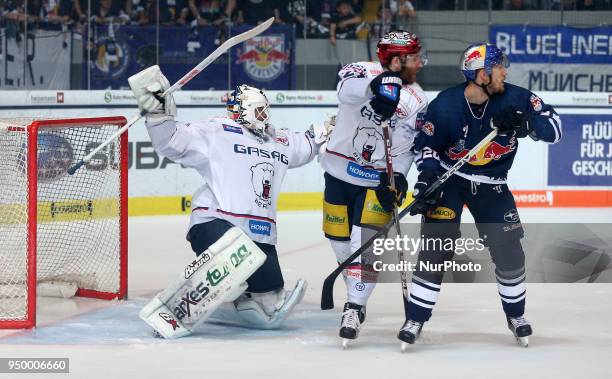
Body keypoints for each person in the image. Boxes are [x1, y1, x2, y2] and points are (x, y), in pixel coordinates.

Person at [128, 66, 332, 337]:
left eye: (264, 110)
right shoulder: (217, 131)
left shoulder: (278, 140)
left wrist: (331, 129)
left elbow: (308, 144)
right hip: (215, 222)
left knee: (269, 298)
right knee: (235, 255)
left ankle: (238, 296)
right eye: (258, 111)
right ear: (241, 111)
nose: (264, 116)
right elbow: (171, 142)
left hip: (259, 234)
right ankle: (190, 301)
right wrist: (158, 115)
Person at [400, 43, 562, 348]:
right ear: (480, 74)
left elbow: (555, 128)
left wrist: (529, 123)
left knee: (509, 252)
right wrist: (428, 178)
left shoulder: (517, 98)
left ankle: (516, 316)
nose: (505, 71)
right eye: (498, 66)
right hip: (451, 180)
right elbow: (426, 146)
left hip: (493, 185)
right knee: (436, 247)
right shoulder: (446, 104)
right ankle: (416, 317)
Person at [318, 30, 428, 347]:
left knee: (365, 247)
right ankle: (357, 293)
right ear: (395, 60)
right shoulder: (362, 71)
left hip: (377, 182)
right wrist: (376, 86)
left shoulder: (418, 96)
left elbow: (406, 146)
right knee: (340, 244)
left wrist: (400, 178)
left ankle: (354, 306)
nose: (420, 63)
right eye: (414, 57)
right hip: (338, 174)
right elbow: (345, 91)